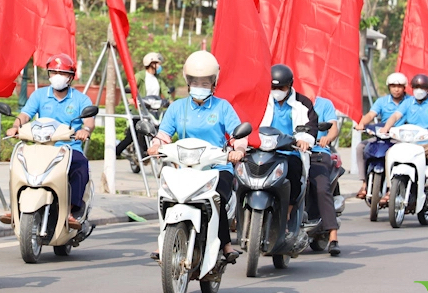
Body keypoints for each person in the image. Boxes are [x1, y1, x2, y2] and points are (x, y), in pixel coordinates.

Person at [146, 51, 245, 262]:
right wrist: (156, 145)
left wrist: (238, 149)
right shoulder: (177, 108)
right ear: (188, 82)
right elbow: (163, 135)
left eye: (205, 82)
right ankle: (164, 240)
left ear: (213, 83)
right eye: (195, 81)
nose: (200, 86)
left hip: (217, 168)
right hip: (185, 168)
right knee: (167, 196)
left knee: (217, 198)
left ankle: (226, 245)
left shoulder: (222, 107)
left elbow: (238, 134)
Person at [5, 53, 95, 228]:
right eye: (54, 72)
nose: (57, 77)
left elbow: (89, 121)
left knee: (81, 165)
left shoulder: (80, 99)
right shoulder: (40, 95)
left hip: (69, 148)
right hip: (42, 147)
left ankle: (71, 211)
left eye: (62, 73)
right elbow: (25, 114)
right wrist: (16, 126)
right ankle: (14, 206)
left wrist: (85, 130)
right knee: (18, 164)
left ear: (70, 77)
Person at [259, 63, 319, 226]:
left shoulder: (303, 103)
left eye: (282, 87)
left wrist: (304, 140)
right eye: (273, 87)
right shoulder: (261, 100)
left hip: (290, 153)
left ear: (290, 85)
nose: (277, 91)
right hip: (263, 151)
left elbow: (311, 126)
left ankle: (286, 217)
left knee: (294, 174)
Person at [379, 74, 428, 207]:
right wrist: (386, 127)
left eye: (422, 87)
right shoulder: (407, 102)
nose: (419, 90)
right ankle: (389, 189)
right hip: (409, 142)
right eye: (416, 87)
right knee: (390, 153)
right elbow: (395, 116)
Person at [353, 72, 409, 199]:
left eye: (399, 86)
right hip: (383, 135)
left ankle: (394, 187)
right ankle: (364, 183)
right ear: (389, 87)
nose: (396, 89)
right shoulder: (382, 101)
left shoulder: (409, 102)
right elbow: (371, 115)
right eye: (393, 85)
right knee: (361, 147)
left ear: (404, 87)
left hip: (400, 138)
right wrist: (361, 124)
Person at [115, 52, 167, 161]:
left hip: (153, 111)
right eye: (157, 63)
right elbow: (130, 87)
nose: (159, 66)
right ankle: (116, 152)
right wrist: (131, 99)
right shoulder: (140, 76)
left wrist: (169, 100)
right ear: (150, 63)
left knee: (157, 131)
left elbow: (165, 91)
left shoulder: (158, 79)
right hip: (139, 111)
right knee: (132, 135)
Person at [309, 96, 342, 257]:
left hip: (318, 152)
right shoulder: (290, 102)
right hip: (293, 151)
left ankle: (333, 236)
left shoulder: (324, 104)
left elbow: (333, 128)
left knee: (322, 188)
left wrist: (327, 138)